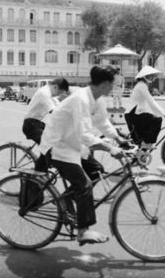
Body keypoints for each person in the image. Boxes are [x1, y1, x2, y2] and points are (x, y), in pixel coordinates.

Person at [40, 65, 125, 245]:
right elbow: (84, 134)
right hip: (57, 146)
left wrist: (119, 139)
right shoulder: (81, 99)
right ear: (104, 84)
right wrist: (109, 149)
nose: (114, 88)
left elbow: (102, 122)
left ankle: (65, 201)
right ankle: (83, 231)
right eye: (112, 84)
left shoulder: (98, 98)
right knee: (84, 184)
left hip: (73, 144)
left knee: (96, 172)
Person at [127, 66, 165, 149]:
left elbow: (149, 103)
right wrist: (164, 114)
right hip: (133, 114)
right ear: (145, 77)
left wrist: (158, 112)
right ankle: (147, 143)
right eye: (151, 76)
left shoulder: (141, 85)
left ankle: (141, 154)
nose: (153, 77)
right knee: (157, 120)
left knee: (139, 142)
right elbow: (151, 101)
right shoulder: (142, 86)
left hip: (133, 113)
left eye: (153, 76)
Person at [22, 77, 70, 145]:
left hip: (37, 123)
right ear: (55, 87)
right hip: (30, 125)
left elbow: (59, 107)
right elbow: (53, 111)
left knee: (57, 138)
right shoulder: (44, 93)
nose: (58, 95)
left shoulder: (49, 93)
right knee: (49, 146)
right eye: (59, 93)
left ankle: (44, 155)